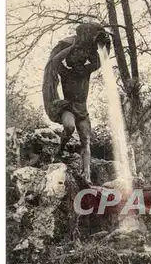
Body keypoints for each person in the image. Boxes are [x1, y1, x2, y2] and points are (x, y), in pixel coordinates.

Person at [42, 23, 111, 184]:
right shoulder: (66, 73)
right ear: (71, 61)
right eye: (75, 59)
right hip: (68, 107)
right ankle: (60, 150)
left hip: (83, 110)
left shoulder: (86, 72)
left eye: (82, 58)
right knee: (69, 127)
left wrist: (106, 43)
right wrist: (72, 46)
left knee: (86, 141)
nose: (79, 61)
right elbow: (55, 61)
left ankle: (86, 174)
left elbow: (102, 60)